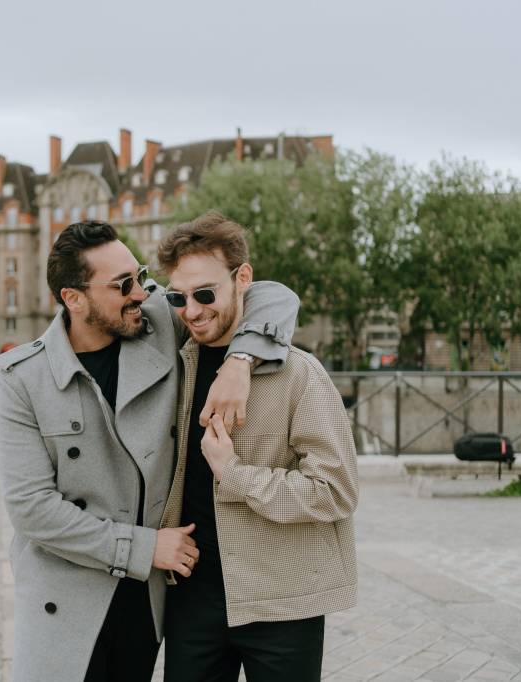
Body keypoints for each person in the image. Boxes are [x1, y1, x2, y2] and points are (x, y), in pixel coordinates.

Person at [0, 220, 299, 682]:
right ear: (73, 298)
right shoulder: (21, 379)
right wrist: (145, 546)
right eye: (123, 285)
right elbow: (32, 510)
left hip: (143, 599)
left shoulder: (158, 323)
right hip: (66, 596)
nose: (140, 291)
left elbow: (273, 295)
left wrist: (240, 360)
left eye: (138, 275)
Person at [156, 211, 359, 682]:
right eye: (178, 297)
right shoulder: (172, 365)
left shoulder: (299, 374)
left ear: (242, 278)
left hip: (283, 603)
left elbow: (337, 490)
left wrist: (236, 475)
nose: (192, 310)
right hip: (190, 601)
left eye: (205, 293)